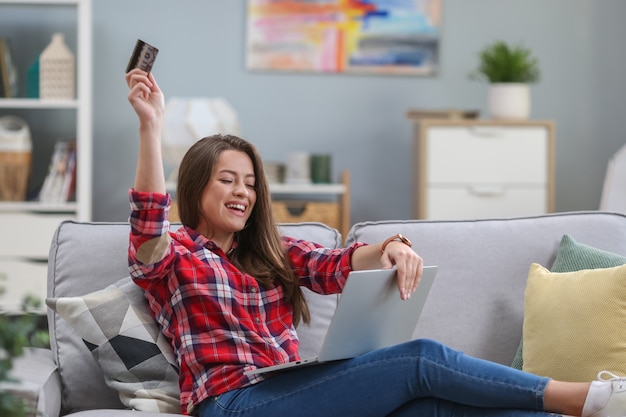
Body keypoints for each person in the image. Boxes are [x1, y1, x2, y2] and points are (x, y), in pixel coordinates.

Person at [125, 67, 626, 417]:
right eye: (227, 180)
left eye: (251, 183)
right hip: (231, 404)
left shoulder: (270, 250)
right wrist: (152, 126)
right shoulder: (173, 255)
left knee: (434, 408)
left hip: (288, 392)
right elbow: (148, 219)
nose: (243, 192)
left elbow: (337, 264)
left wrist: (391, 248)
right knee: (420, 358)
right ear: (196, 186)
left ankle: (580, 415)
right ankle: (581, 396)